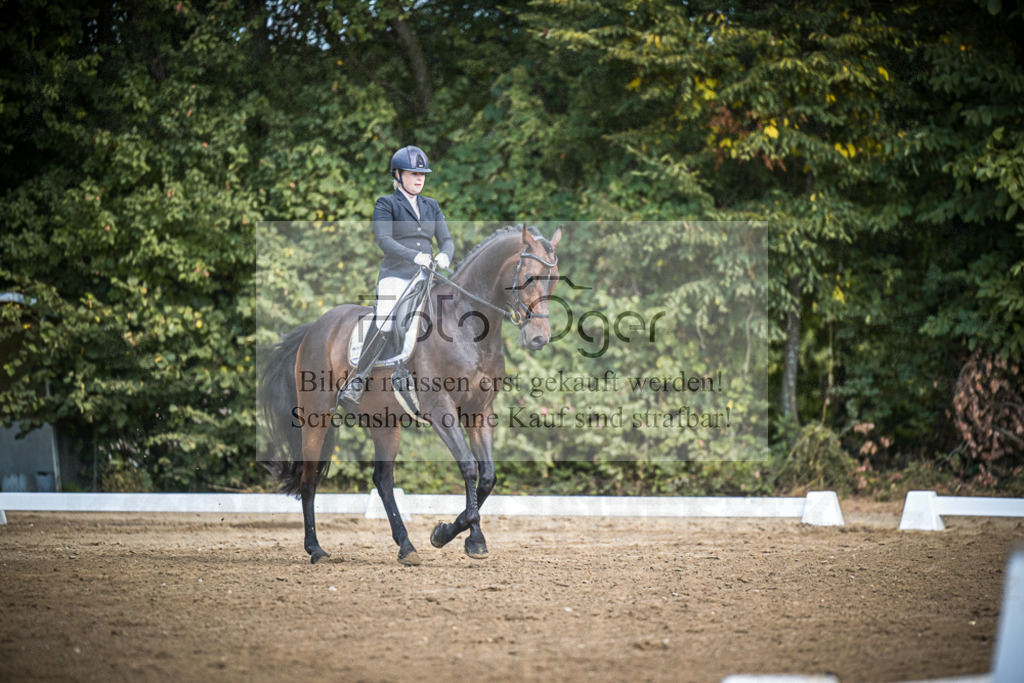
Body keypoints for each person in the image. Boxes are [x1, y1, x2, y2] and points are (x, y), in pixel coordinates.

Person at [337, 145, 454, 411]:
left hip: (429, 275)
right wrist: (414, 257)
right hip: (397, 274)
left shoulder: (431, 206)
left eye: (423, 174)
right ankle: (359, 378)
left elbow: (446, 239)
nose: (420, 178)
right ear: (398, 175)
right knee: (387, 318)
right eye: (413, 173)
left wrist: (445, 255)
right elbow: (384, 240)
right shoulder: (386, 203)